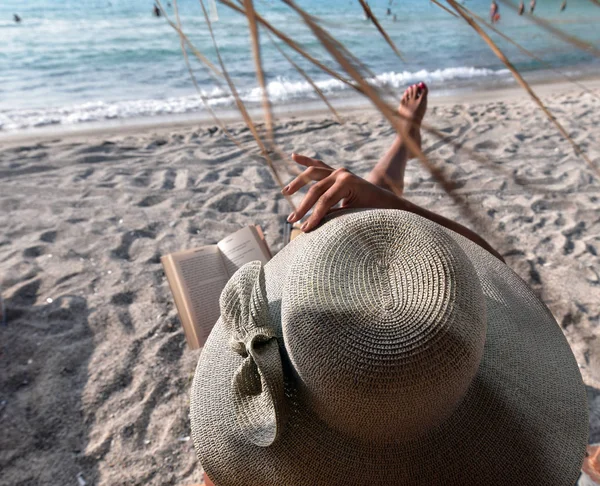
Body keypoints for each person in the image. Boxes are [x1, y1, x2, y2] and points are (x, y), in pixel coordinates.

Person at [191, 83, 589, 485]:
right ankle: (398, 150)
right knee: (351, 225)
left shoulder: (229, 475)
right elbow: (496, 268)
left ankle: (395, 152)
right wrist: (387, 203)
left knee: (324, 230)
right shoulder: (530, 471)